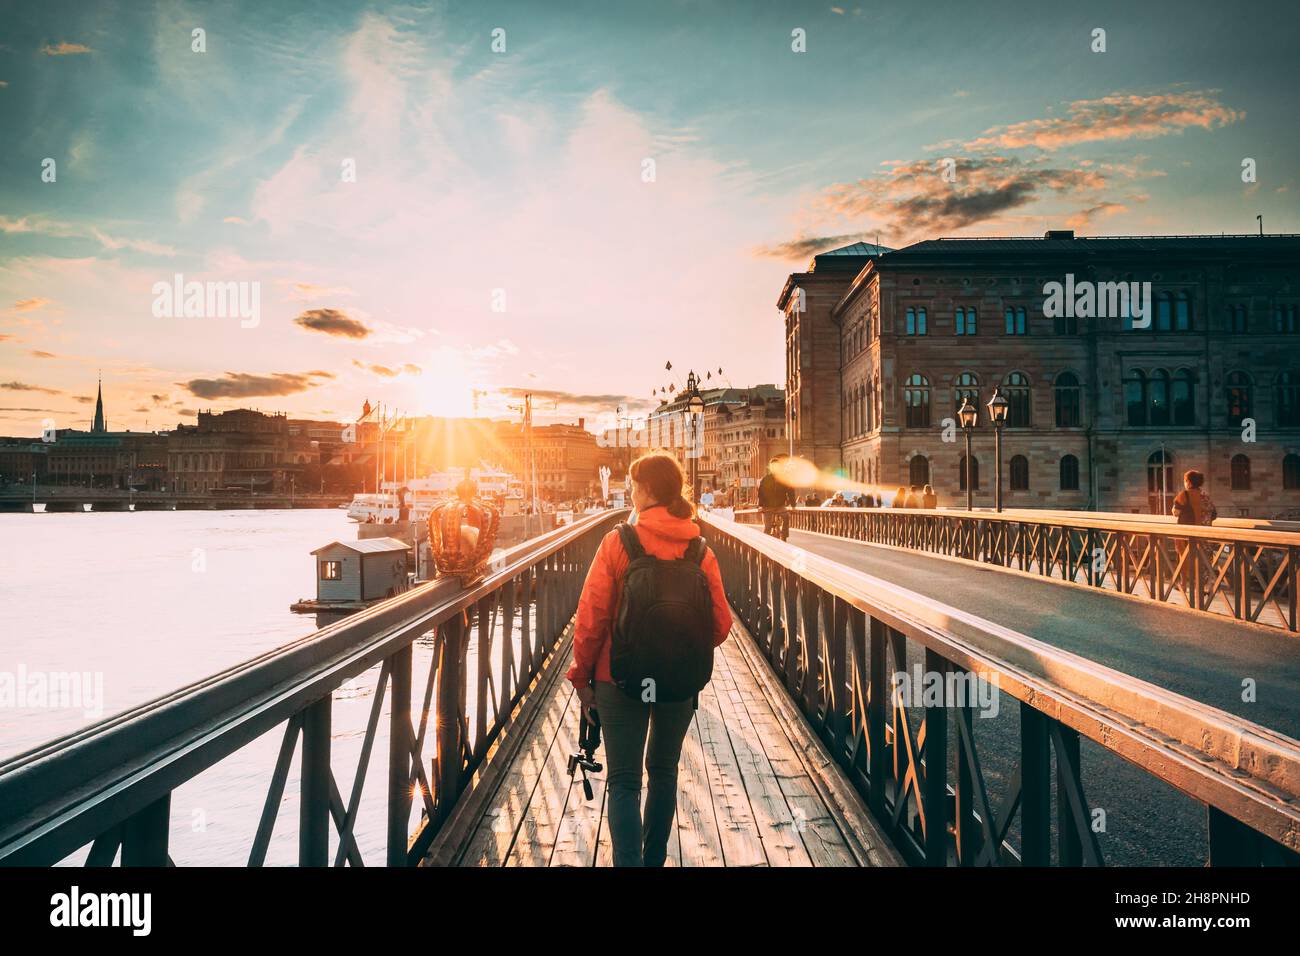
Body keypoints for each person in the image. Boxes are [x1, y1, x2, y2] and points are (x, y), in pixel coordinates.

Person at [569, 452, 732, 867]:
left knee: (624, 782)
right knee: (664, 772)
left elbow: (592, 617)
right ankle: (654, 858)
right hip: (678, 682)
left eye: (632, 483)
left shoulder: (618, 543)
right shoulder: (699, 550)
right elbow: (721, 625)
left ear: (644, 490)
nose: (629, 490)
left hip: (618, 677)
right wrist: (679, 651)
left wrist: (582, 678)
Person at [758, 455, 796, 540]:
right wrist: (760, 506)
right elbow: (761, 493)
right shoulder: (766, 479)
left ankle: (784, 535)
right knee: (767, 527)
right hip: (767, 506)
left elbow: (791, 492)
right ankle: (765, 544)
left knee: (786, 517)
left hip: (780, 506)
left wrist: (793, 506)